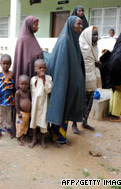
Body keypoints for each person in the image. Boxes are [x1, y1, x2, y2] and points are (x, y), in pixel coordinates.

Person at [45, 16, 85, 146]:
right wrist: (64, 84)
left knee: (65, 110)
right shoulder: (65, 41)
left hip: (69, 84)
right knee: (60, 108)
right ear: (71, 25)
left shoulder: (73, 40)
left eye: (81, 24)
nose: (81, 26)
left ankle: (60, 136)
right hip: (63, 83)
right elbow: (61, 67)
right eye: (78, 24)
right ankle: (56, 137)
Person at [100, 26, 121, 121]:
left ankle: (116, 115)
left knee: (118, 92)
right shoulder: (119, 43)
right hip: (115, 71)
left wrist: (119, 57)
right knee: (114, 91)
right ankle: (113, 112)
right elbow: (115, 53)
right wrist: (108, 53)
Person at [72, 26, 100, 133]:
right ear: (88, 35)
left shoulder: (95, 46)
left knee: (89, 102)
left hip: (92, 78)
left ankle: (84, 122)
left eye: (97, 34)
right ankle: (74, 124)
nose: (96, 37)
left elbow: (93, 60)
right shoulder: (80, 45)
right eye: (94, 34)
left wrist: (97, 63)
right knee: (79, 102)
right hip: (82, 78)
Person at [13, 16, 43, 89]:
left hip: (33, 70)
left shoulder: (32, 38)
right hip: (26, 70)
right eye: (36, 25)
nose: (38, 27)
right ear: (29, 25)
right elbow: (21, 59)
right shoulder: (22, 40)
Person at [29, 59, 53, 149]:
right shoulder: (32, 79)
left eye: (44, 68)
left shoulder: (48, 78)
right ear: (35, 69)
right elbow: (32, 92)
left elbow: (48, 90)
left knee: (43, 122)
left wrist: (43, 79)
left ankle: (43, 140)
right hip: (35, 105)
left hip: (44, 105)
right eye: (40, 68)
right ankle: (34, 139)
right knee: (34, 122)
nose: (42, 70)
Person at [0, 54, 15, 139]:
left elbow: (13, 88)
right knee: (0, 115)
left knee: (9, 116)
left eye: (8, 63)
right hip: (0, 100)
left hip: (9, 100)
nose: (6, 65)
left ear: (11, 64)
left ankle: (9, 130)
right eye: (4, 63)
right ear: (0, 63)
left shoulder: (12, 74)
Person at [15, 75, 31, 146]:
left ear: (28, 85)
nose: (24, 86)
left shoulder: (28, 92)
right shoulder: (18, 92)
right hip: (21, 114)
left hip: (27, 113)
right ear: (18, 84)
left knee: (26, 125)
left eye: (26, 84)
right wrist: (18, 112)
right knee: (19, 125)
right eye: (22, 84)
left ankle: (23, 136)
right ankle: (18, 138)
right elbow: (16, 103)